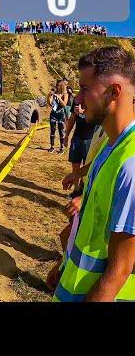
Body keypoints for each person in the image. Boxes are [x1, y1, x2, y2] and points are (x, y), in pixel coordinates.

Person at [49, 46, 135, 302]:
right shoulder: (111, 148)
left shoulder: (130, 164)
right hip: (76, 286)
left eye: (85, 89)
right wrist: (64, 267)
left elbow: (120, 269)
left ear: (113, 92)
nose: (78, 99)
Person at [64, 92, 98, 198]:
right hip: (77, 138)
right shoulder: (77, 100)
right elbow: (72, 119)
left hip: (91, 139)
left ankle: (83, 192)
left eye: (85, 87)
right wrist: (66, 136)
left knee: (87, 167)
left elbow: (97, 119)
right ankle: (76, 190)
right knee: (75, 165)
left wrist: (84, 112)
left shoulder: (95, 100)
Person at [47, 80, 69, 153]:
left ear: (62, 86)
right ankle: (52, 146)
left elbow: (64, 104)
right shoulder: (55, 93)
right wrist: (49, 96)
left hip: (61, 114)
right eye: (57, 85)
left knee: (61, 131)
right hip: (53, 113)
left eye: (59, 85)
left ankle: (62, 147)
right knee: (52, 130)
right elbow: (49, 104)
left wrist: (59, 98)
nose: (57, 86)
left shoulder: (65, 94)